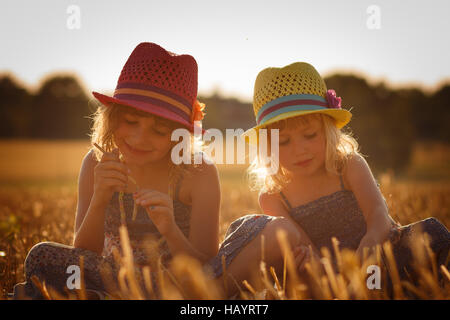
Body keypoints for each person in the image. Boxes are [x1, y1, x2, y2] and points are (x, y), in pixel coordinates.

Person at [208, 62, 450, 298]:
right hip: (328, 273)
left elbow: (378, 217)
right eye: (284, 142)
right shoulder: (273, 196)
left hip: (380, 255)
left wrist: (366, 255)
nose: (299, 150)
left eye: (310, 135)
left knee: (430, 236)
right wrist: (328, 271)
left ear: (328, 130)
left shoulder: (349, 167)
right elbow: (306, 250)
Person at [13, 42, 221, 299]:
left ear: (179, 136)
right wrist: (100, 199)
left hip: (170, 282)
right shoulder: (95, 163)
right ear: (112, 118)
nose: (140, 138)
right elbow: (84, 253)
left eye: (158, 130)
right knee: (39, 257)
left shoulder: (198, 173)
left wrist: (171, 230)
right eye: (130, 122)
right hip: (110, 276)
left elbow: (209, 270)